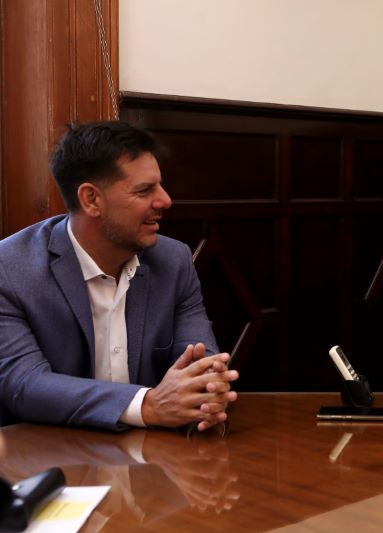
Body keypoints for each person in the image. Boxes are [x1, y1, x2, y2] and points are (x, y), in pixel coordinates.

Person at [0, 121, 238, 431]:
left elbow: (200, 362)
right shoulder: (10, 268)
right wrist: (146, 405)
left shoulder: (174, 260)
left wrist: (204, 392)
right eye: (144, 190)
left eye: (160, 185)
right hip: (47, 460)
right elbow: (25, 385)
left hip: (153, 459)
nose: (165, 200)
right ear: (91, 199)